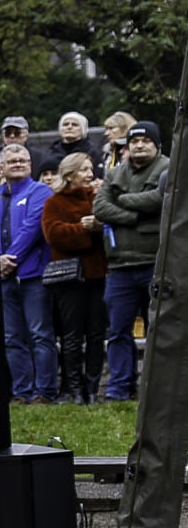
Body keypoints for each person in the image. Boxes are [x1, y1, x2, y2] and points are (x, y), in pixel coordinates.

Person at [93, 120, 168, 400]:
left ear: (157, 145)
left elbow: (160, 198)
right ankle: (118, 389)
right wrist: (135, 215)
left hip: (156, 264)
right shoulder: (115, 172)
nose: (138, 145)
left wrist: (122, 201)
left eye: (145, 141)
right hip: (119, 267)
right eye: (133, 141)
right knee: (118, 331)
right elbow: (100, 207)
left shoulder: (168, 168)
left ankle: (155, 389)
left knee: (158, 330)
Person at [39, 153, 109, 405]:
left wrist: (98, 226)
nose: (90, 174)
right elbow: (54, 234)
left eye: (90, 169)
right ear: (69, 175)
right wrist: (84, 228)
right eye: (83, 170)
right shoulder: (54, 202)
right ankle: (74, 388)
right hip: (69, 279)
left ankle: (92, 387)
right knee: (71, 335)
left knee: (96, 333)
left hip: (98, 275)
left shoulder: (99, 198)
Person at [0, 144, 55, 403]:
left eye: (23, 160)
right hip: (3, 278)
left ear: (30, 165)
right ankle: (22, 391)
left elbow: (32, 228)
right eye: (12, 160)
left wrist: (10, 259)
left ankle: (44, 391)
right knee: (11, 338)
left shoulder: (40, 191)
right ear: (1, 168)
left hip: (33, 276)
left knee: (41, 334)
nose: (18, 164)